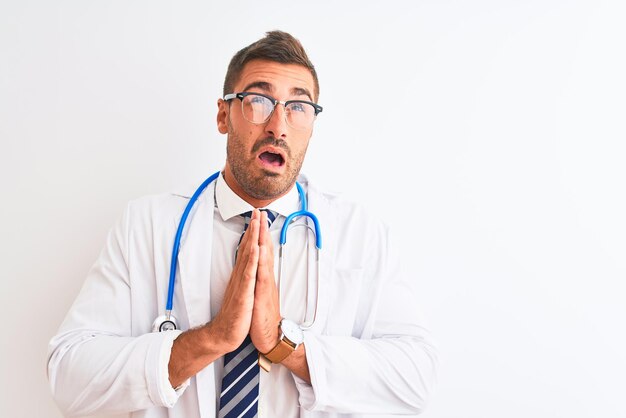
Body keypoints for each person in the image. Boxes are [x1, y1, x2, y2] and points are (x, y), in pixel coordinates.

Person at [47, 30, 438, 418]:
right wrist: (212, 338)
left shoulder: (360, 233)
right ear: (223, 114)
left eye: (298, 107)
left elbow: (415, 379)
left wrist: (285, 345)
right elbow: (68, 376)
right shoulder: (147, 225)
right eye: (258, 101)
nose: (278, 126)